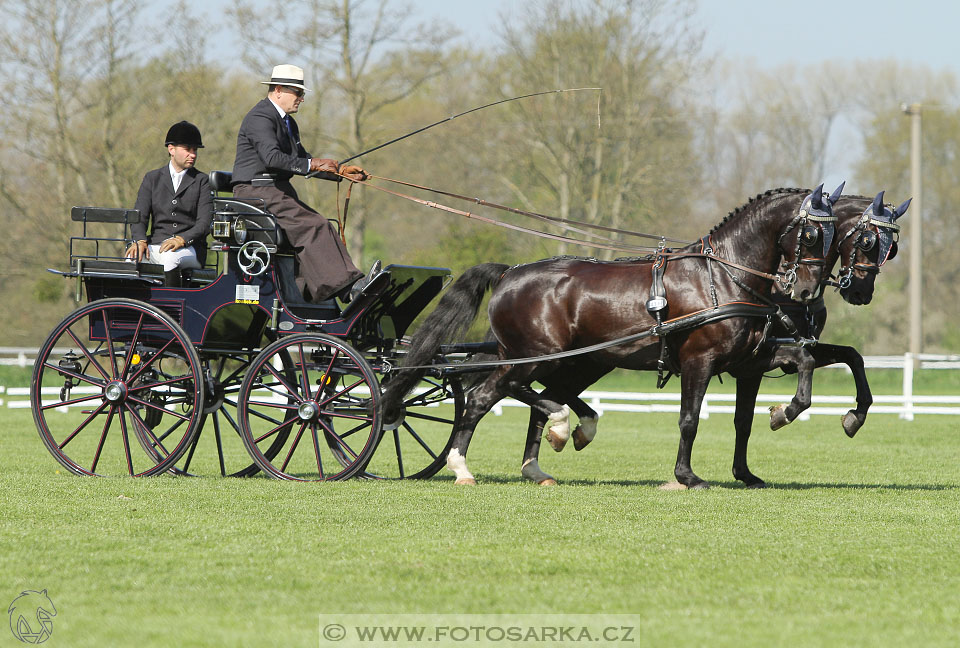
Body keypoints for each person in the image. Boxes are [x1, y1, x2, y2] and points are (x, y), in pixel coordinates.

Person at [232, 64, 376, 303]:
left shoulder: (288, 123)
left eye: (303, 94)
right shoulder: (260, 117)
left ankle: (304, 295)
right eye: (297, 93)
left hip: (276, 192)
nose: (301, 99)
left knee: (324, 224)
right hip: (255, 191)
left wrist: (339, 172)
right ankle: (348, 288)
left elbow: (302, 160)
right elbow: (273, 158)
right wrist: (314, 164)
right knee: (315, 225)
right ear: (278, 90)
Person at [125, 121, 213, 287]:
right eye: (188, 149)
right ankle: (132, 308)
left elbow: (204, 223)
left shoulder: (202, 181)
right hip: (156, 244)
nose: (193, 154)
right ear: (171, 149)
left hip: (190, 249)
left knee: (170, 258)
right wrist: (140, 240)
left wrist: (182, 239)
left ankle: (170, 309)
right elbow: (139, 215)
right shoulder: (152, 178)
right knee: (131, 257)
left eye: (195, 150)